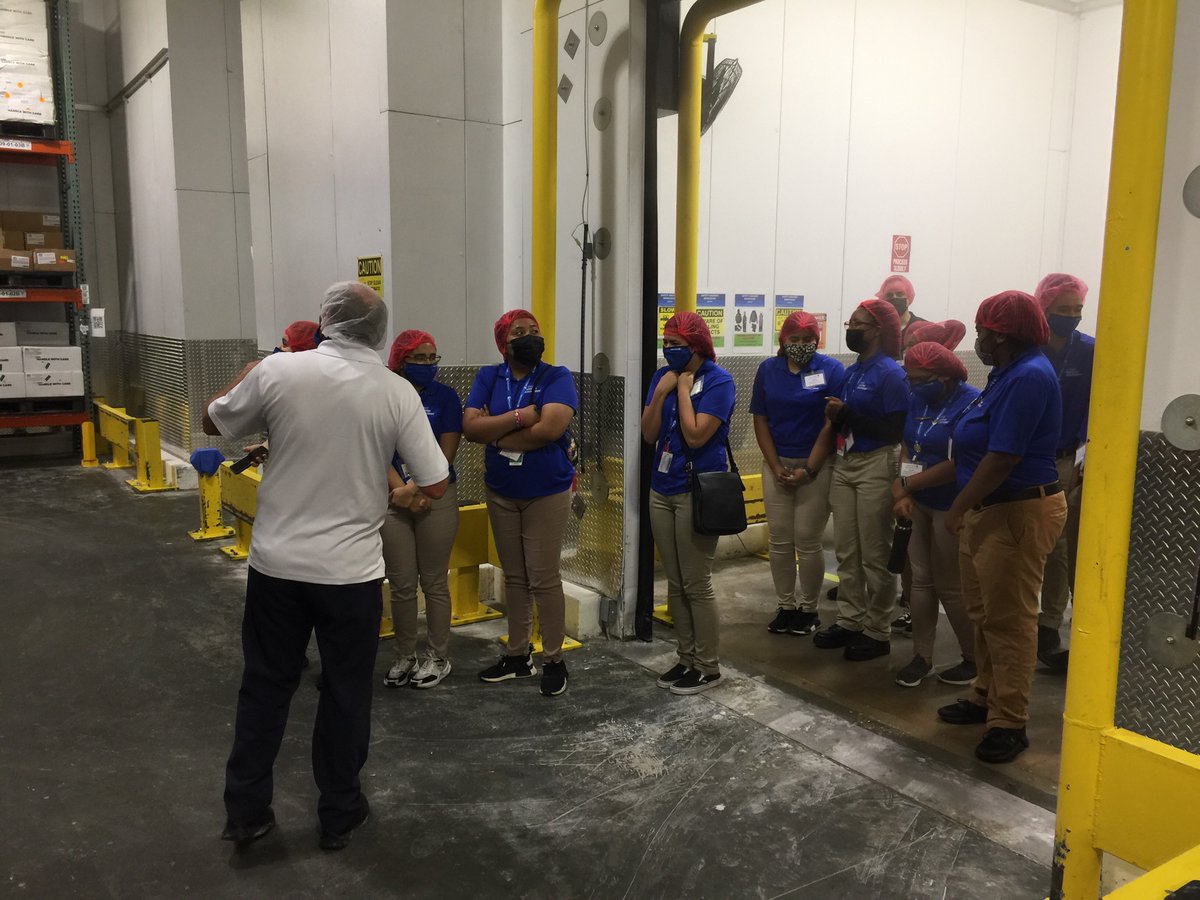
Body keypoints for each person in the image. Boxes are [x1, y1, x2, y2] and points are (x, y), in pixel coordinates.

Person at [204, 282, 449, 850]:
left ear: (325, 322)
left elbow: (216, 421)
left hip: (278, 567)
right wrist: (395, 493)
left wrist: (251, 371)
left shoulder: (279, 373)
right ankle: (339, 812)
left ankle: (247, 813)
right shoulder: (396, 392)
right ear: (382, 332)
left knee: (265, 687)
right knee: (344, 693)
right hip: (351, 575)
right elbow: (434, 481)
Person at [939, 290, 1067, 764]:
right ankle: (985, 694)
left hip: (1016, 510)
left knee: (1010, 620)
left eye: (985, 331)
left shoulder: (1029, 376)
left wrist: (957, 508)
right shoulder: (1003, 374)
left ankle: (1009, 721)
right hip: (989, 511)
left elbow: (1003, 457)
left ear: (1006, 334)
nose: (979, 339)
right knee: (983, 612)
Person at [462, 309, 578, 697]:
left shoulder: (556, 376)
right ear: (504, 343)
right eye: (519, 332)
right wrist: (521, 416)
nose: (529, 336)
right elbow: (469, 428)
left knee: (544, 578)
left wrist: (496, 434)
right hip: (502, 490)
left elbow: (551, 428)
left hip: (546, 490)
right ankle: (518, 655)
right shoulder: (488, 376)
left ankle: (554, 659)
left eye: (534, 330)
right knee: (514, 576)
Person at [641, 311, 736, 694]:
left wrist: (682, 390)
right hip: (661, 487)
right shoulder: (660, 378)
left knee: (696, 582)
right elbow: (649, 434)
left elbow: (696, 435)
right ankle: (686, 658)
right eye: (666, 343)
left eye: (677, 344)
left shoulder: (718, 380)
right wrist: (663, 390)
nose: (669, 350)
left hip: (696, 489)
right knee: (676, 582)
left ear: (697, 345)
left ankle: (708, 665)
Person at [812, 299, 909, 660]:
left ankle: (877, 629)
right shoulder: (854, 372)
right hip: (846, 462)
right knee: (847, 551)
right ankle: (850, 619)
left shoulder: (891, 374)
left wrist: (846, 413)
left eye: (859, 324)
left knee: (875, 552)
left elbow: (895, 429)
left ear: (880, 331)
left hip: (876, 463)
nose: (851, 329)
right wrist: (837, 417)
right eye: (850, 323)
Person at [750, 311, 845, 636]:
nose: (801, 346)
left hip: (817, 465)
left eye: (808, 340)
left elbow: (832, 424)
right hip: (777, 462)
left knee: (807, 539)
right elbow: (760, 419)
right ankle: (786, 605)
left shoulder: (831, 370)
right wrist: (776, 466)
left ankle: (809, 608)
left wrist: (809, 469)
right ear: (783, 340)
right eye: (795, 340)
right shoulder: (768, 370)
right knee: (779, 539)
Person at [890, 342, 979, 688]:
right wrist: (902, 488)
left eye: (920, 378)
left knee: (951, 586)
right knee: (922, 582)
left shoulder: (970, 402)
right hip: (918, 501)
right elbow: (907, 445)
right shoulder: (917, 398)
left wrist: (906, 485)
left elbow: (959, 463)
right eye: (909, 378)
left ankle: (972, 658)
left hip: (951, 504)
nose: (913, 385)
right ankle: (921, 656)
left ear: (944, 376)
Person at [380, 330, 462, 690]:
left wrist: (418, 488)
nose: (428, 365)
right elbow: (376, 448)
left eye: (433, 358)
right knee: (400, 583)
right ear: (401, 360)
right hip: (392, 497)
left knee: (434, 581)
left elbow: (445, 453)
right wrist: (401, 490)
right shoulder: (383, 395)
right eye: (419, 359)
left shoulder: (446, 397)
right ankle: (404, 654)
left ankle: (437, 656)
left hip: (437, 494)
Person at [1034, 273, 1094, 672]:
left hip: (1067, 459)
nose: (1071, 317)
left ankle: (1049, 625)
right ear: (1043, 308)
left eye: (1077, 310)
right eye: (1062, 310)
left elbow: (1099, 405)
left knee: (1061, 547)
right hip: (1026, 457)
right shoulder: (1029, 349)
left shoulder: (1089, 351)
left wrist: (1086, 454)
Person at [877, 275, 927, 348]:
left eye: (900, 294)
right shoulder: (878, 329)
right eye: (889, 295)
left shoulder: (923, 327)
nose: (895, 298)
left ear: (908, 298)